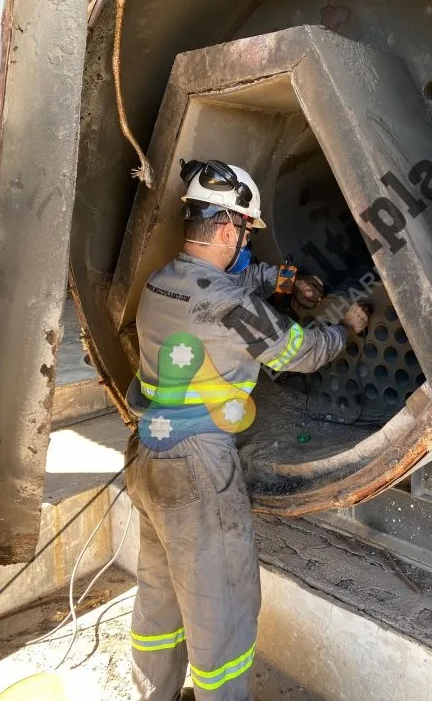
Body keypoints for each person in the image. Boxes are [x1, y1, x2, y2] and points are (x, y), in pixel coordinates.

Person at [124, 159, 369, 701]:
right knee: (224, 610)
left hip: (147, 451)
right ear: (231, 229)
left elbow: (233, 277)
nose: (247, 246)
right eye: (244, 233)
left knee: (160, 594)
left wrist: (284, 281)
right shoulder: (230, 304)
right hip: (197, 467)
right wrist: (341, 327)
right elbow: (298, 352)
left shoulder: (162, 282)